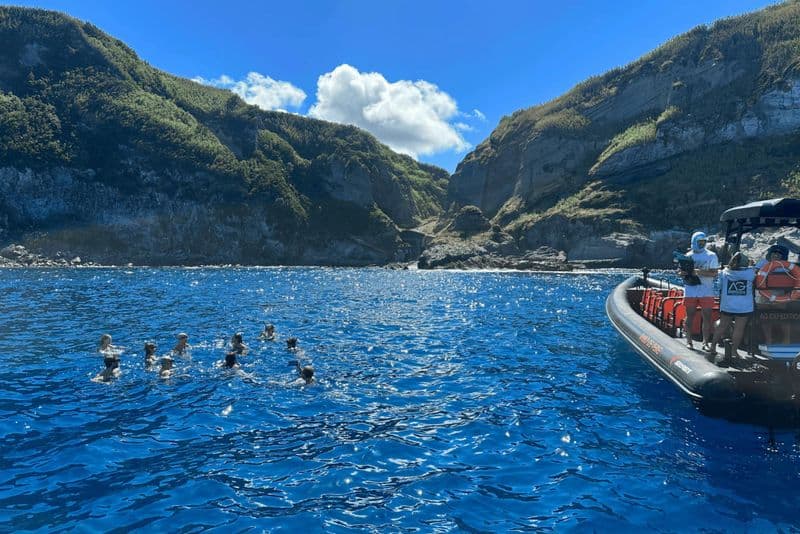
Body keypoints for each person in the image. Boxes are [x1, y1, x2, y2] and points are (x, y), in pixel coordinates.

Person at [709, 252, 755, 362]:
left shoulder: (724, 273)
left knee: (722, 326)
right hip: (744, 306)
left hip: (728, 305)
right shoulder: (750, 273)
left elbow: (718, 286)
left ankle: (713, 346)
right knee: (739, 329)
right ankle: (734, 351)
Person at [679, 232, 720, 350]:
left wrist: (699, 272)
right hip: (691, 290)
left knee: (707, 317)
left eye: (704, 242)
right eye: (699, 242)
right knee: (689, 316)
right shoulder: (687, 255)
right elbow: (681, 272)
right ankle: (689, 341)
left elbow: (714, 273)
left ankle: (705, 342)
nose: (702, 244)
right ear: (694, 242)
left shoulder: (711, 255)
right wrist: (682, 273)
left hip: (706, 291)